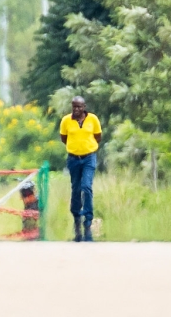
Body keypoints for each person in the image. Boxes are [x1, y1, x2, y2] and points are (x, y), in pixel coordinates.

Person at [59, 96, 102, 242]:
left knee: (86, 187)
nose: (76, 109)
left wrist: (86, 147)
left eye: (79, 107)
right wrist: (75, 147)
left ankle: (88, 223)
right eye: (74, 107)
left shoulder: (93, 119)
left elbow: (98, 137)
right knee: (76, 190)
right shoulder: (66, 121)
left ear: (84, 107)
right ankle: (77, 223)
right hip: (73, 159)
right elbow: (64, 139)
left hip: (89, 158)